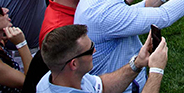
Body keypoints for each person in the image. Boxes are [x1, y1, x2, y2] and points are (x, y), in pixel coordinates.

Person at [38, 25, 168, 93]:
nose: (95, 50)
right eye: (90, 49)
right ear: (74, 63)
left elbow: (102, 87)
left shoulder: (58, 77)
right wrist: (156, 71)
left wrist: (137, 63)